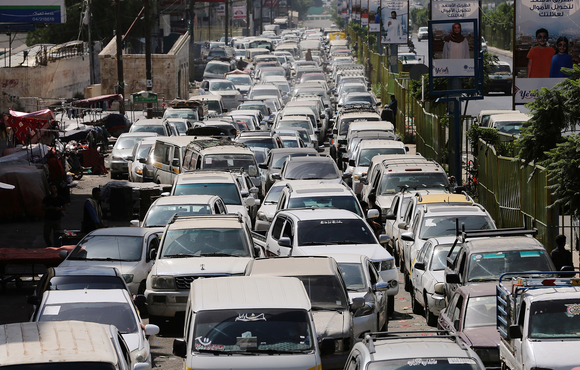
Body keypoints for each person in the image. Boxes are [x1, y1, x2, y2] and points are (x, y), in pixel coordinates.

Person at [42, 183, 66, 247]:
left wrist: (59, 209)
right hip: (48, 219)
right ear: (49, 189)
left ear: (56, 189)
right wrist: (49, 208)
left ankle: (56, 246)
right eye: (51, 188)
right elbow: (42, 208)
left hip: (57, 219)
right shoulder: (47, 198)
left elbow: (65, 207)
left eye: (54, 188)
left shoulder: (60, 198)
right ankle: (49, 246)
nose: (53, 189)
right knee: (46, 235)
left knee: (57, 235)